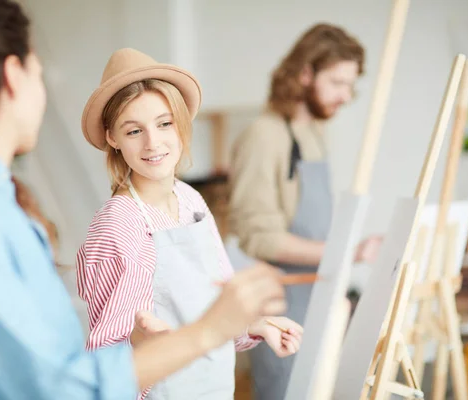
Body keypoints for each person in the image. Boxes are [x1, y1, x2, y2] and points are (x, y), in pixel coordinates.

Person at [0, 1, 289, 399]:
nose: (153, 141)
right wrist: (206, 332)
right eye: (39, 71)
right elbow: (62, 383)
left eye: (164, 123)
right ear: (14, 76)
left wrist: (238, 325)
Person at [76, 47, 304, 399]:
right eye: (134, 131)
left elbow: (214, 308)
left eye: (164, 123)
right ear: (112, 138)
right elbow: (107, 358)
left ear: (181, 124)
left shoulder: (190, 199)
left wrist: (257, 325)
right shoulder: (118, 225)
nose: (154, 143)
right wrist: (140, 342)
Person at [228, 23, 383, 400]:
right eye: (337, 83)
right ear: (305, 74)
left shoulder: (313, 133)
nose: (346, 96)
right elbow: (258, 237)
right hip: (283, 305)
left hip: (319, 299)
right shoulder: (264, 136)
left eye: (351, 85)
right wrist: (346, 252)